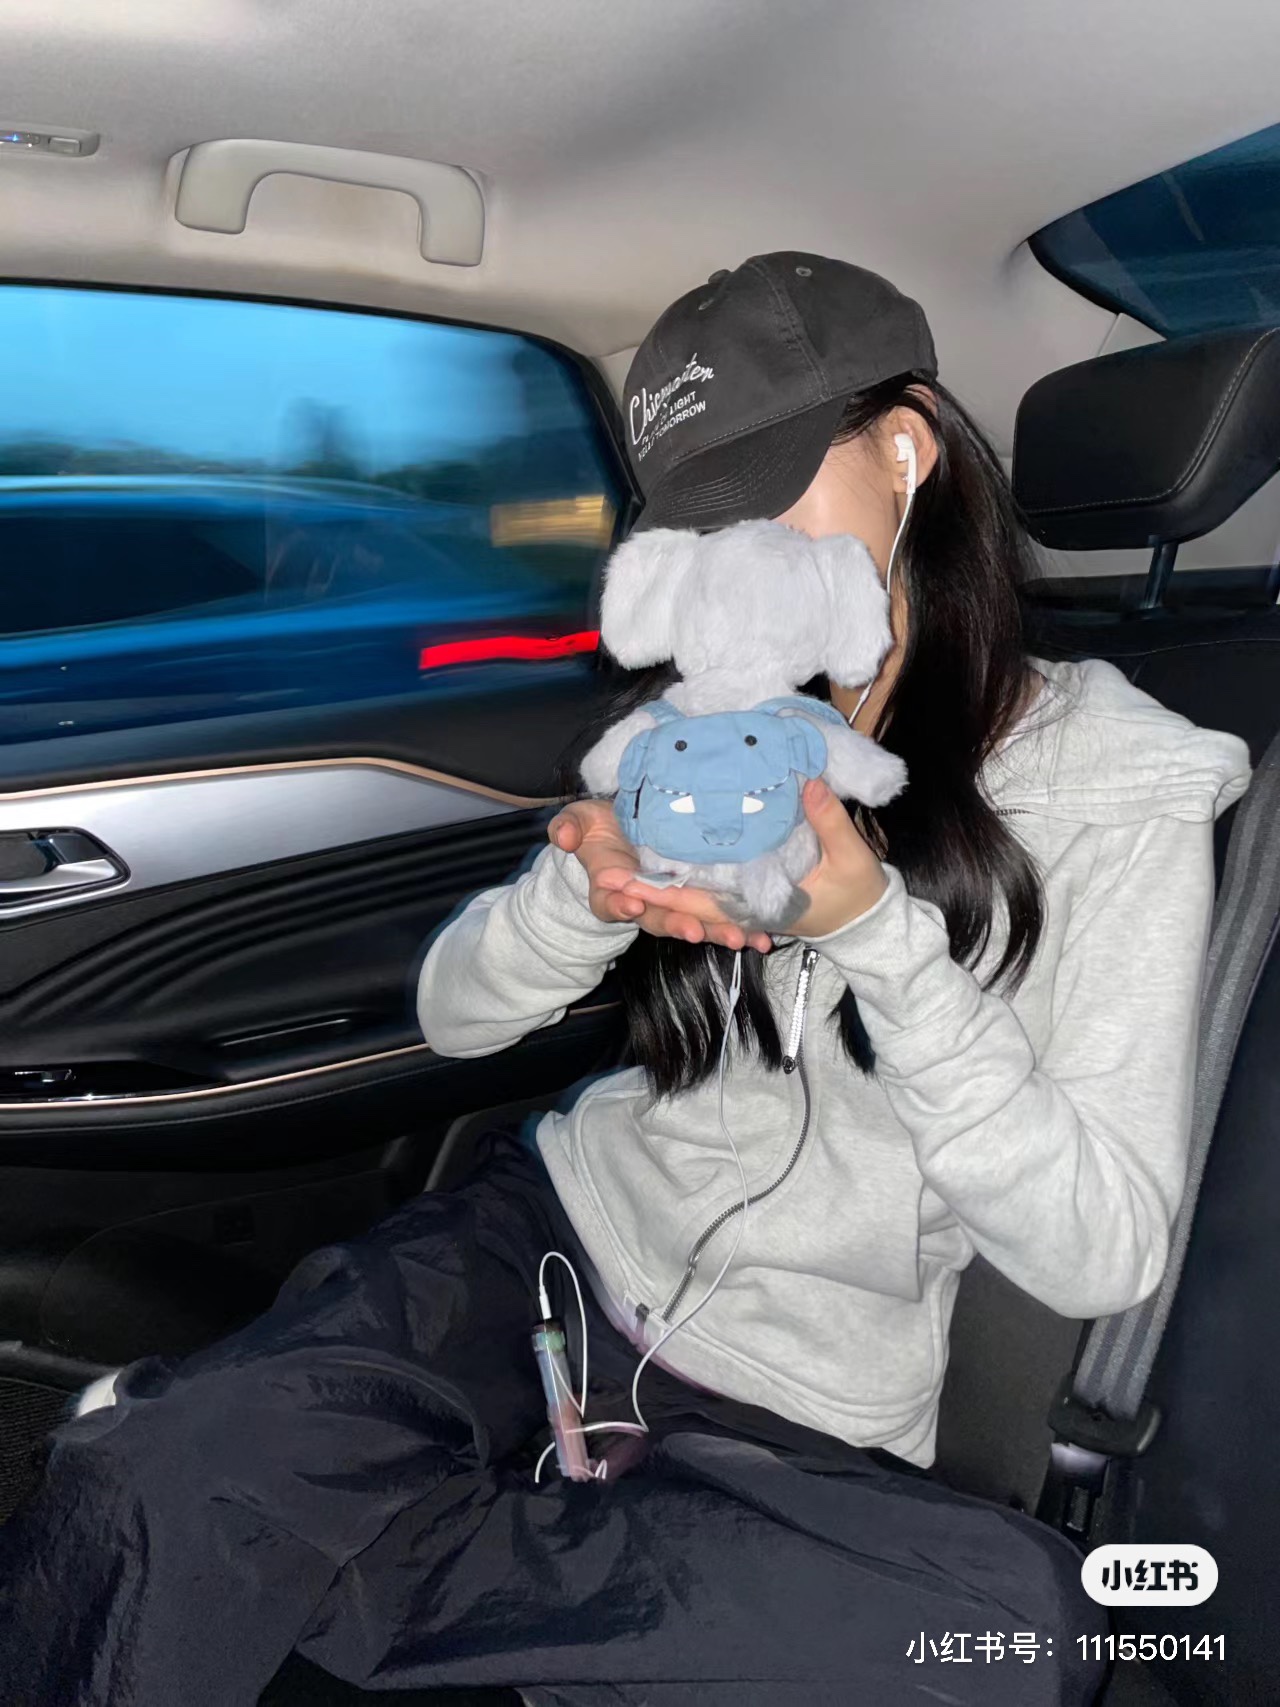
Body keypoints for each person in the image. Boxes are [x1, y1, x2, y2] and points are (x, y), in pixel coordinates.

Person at [0, 254, 1251, 1707]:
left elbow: (1103, 1255)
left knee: (1013, 1636)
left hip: (789, 1388)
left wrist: (878, 934)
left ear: (906, 449)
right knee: (158, 1481)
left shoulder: (1117, 790)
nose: (732, 551)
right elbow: (456, 1015)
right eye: (698, 516)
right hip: (550, 1245)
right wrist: (576, 900)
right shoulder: (708, 724)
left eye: (764, 491)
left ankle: (342, 1523)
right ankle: (366, 1518)